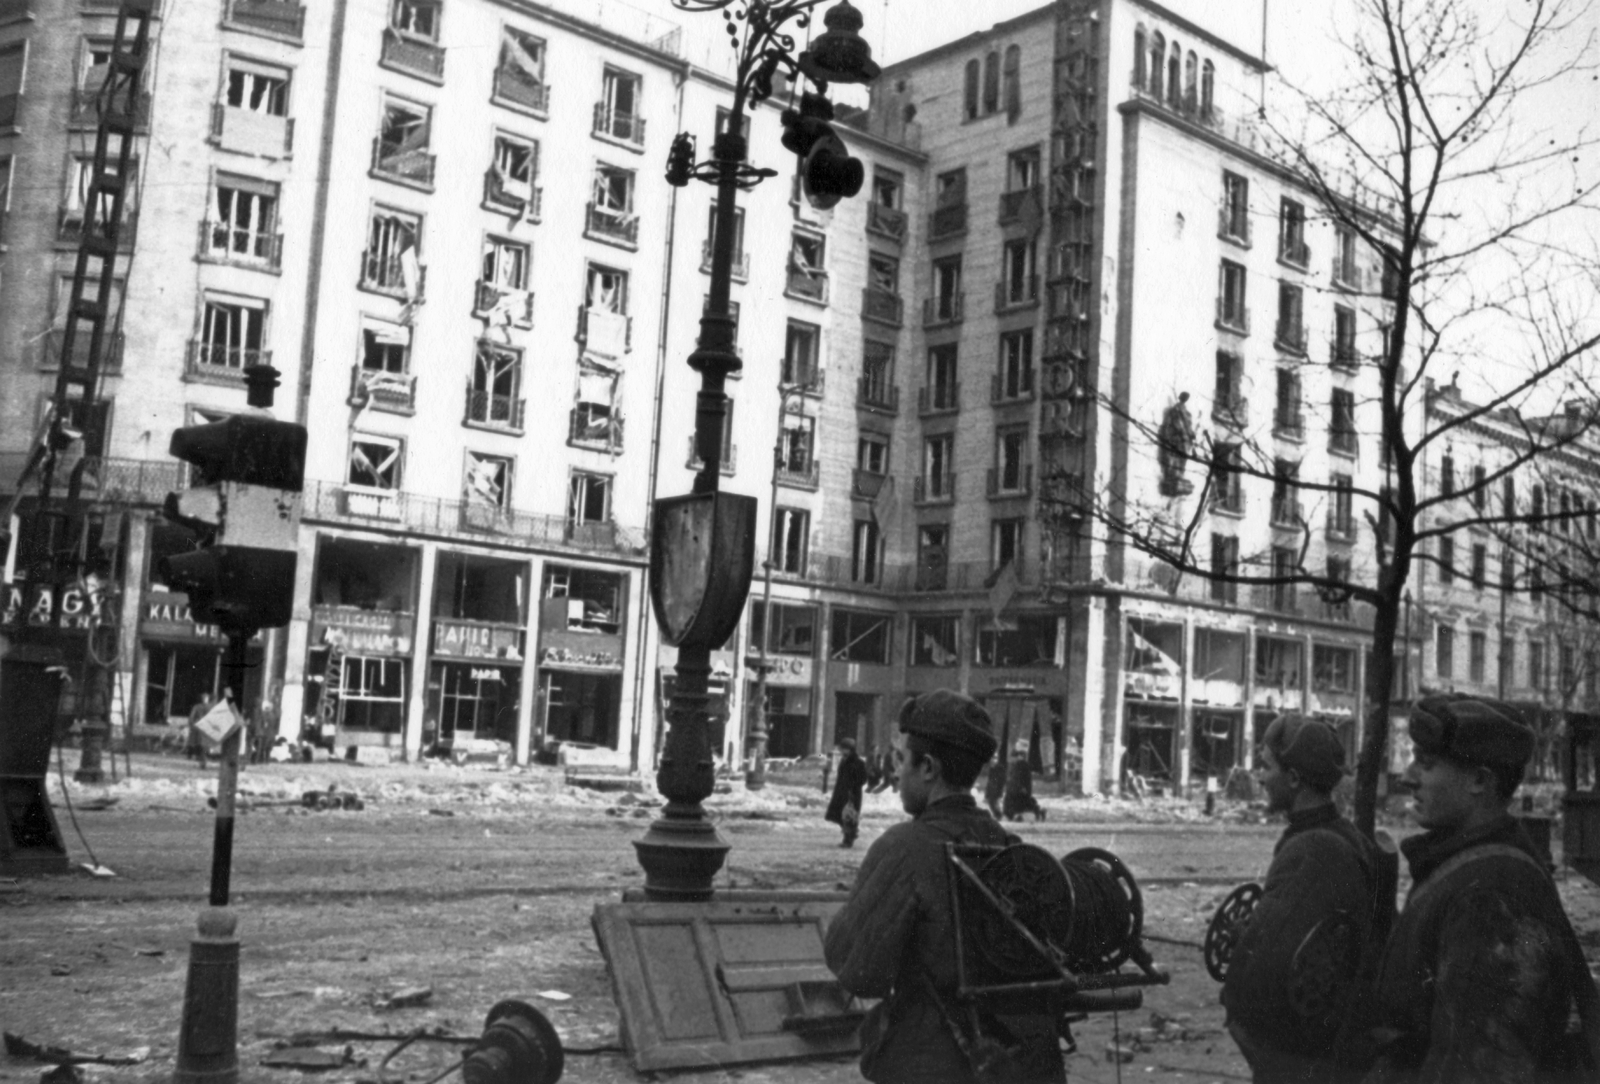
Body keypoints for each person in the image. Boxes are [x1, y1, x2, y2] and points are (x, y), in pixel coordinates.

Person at [824, 690, 1065, 1084]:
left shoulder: (904, 847)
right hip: (1015, 1063)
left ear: (929, 768)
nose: (897, 774)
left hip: (937, 1062)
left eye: (903, 761)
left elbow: (857, 970)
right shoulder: (1007, 846)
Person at [1365, 695, 1600, 1082]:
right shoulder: (1472, 868)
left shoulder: (1491, 895)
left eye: (1426, 763)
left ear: (1479, 781)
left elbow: (1480, 1068)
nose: (1407, 777)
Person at [1221, 714, 1391, 1083]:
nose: (1262, 778)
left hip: (1309, 1052)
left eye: (1268, 767)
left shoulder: (1310, 849)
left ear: (1295, 778)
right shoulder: (1344, 835)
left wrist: (1245, 942)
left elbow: (1265, 973)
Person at [826, 738, 870, 848]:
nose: (841, 751)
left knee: (850, 817)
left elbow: (863, 779)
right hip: (842, 793)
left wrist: (852, 786)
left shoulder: (859, 762)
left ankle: (849, 840)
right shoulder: (843, 761)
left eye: (843, 749)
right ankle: (848, 837)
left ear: (849, 749)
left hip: (852, 795)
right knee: (841, 816)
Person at [1002, 740, 1045, 822]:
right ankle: (1036, 812)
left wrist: (1019, 787)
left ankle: (1034, 812)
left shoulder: (1020, 765)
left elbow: (1017, 778)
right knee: (1021, 804)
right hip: (1018, 790)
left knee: (1017, 804)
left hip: (1018, 790)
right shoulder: (1021, 764)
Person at [982, 745, 1007, 820]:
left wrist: (1000, 791)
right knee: (992, 803)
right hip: (991, 790)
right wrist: (986, 794)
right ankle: (998, 815)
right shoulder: (992, 769)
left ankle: (999, 815)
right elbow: (989, 781)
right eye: (992, 758)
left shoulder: (999, 768)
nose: (993, 760)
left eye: (995, 758)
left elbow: (1001, 781)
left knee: (995, 803)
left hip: (996, 790)